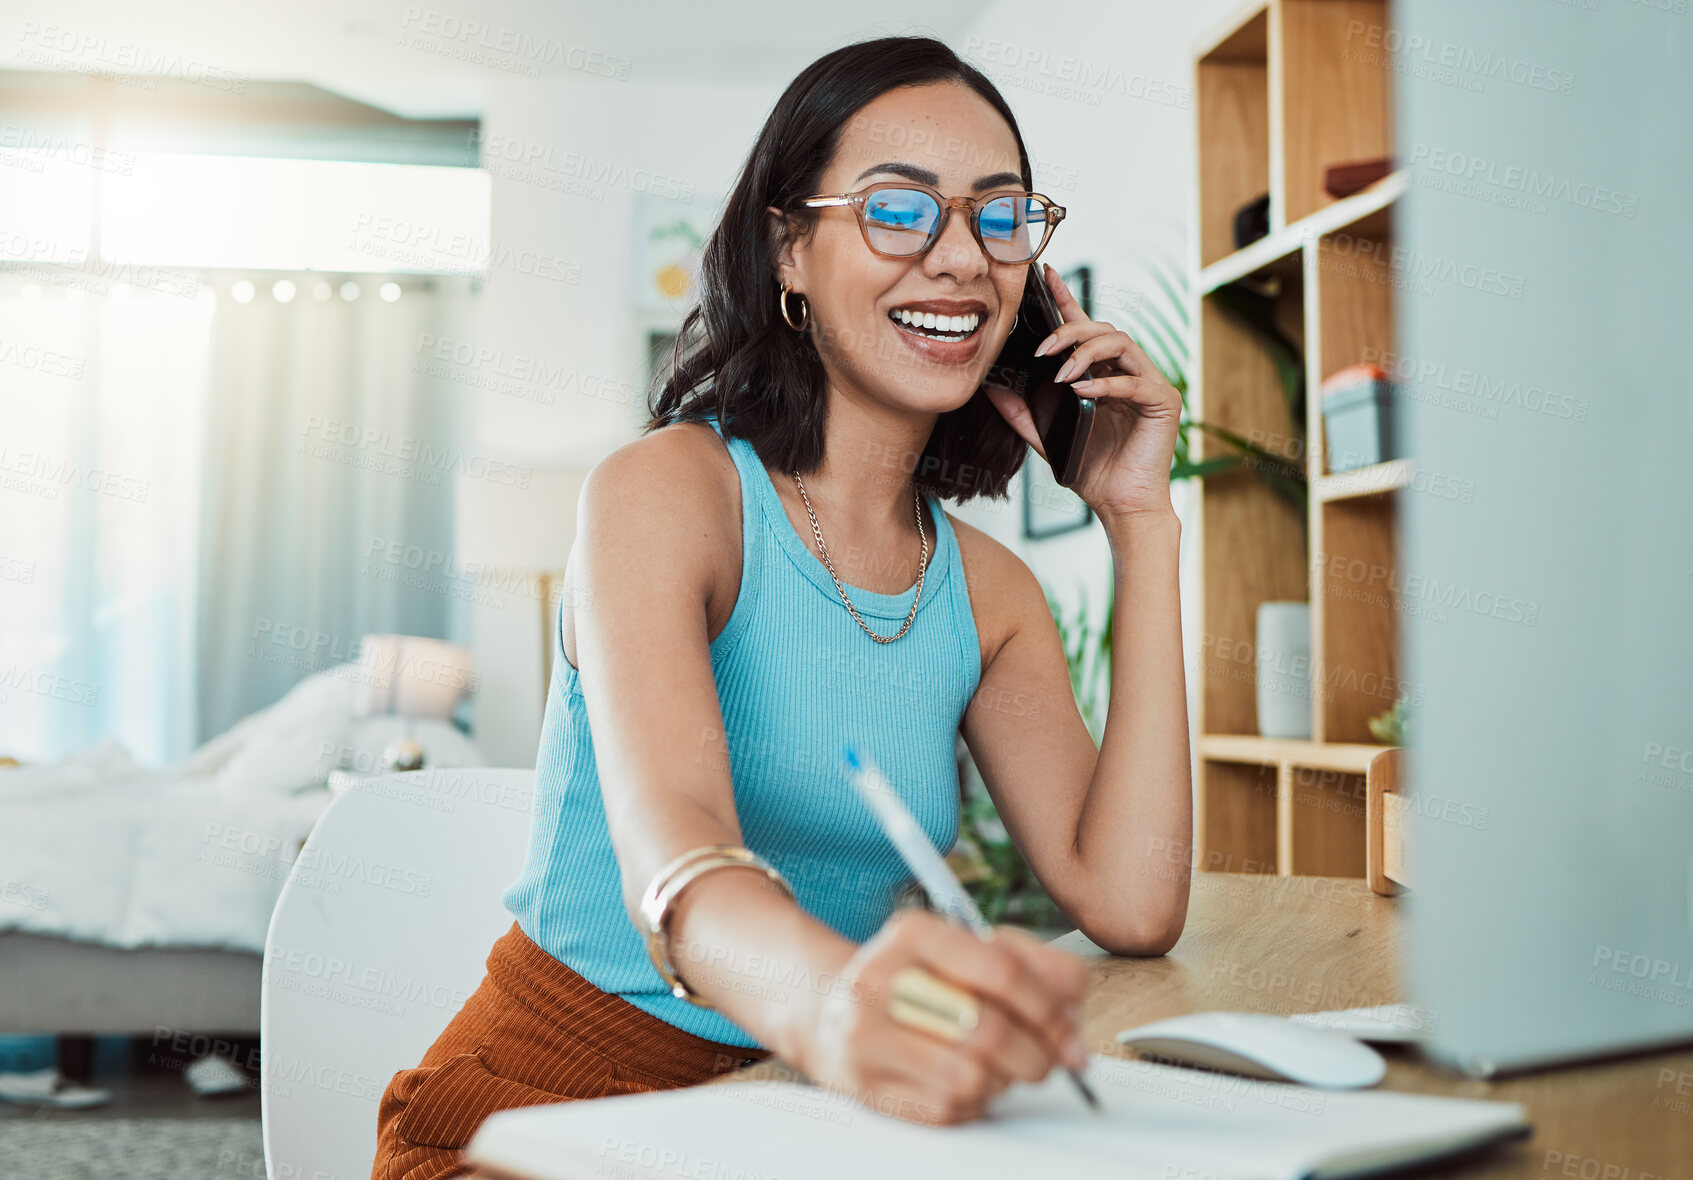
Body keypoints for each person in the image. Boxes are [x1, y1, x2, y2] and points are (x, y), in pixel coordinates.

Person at [371, 33, 1191, 1180]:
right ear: (790, 246)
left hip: (807, 1114)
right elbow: (683, 869)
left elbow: (1131, 899)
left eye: (998, 218)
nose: (960, 257)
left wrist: (1140, 524)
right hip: (549, 1108)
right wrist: (844, 1011)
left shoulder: (988, 593)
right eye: (898, 211)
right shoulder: (666, 492)